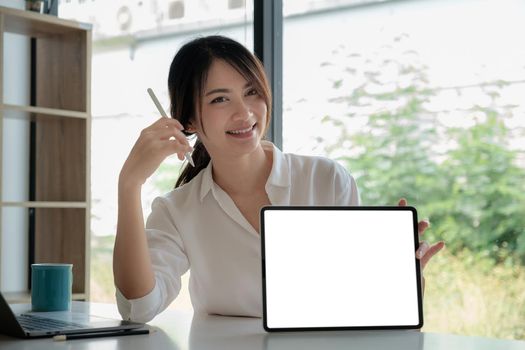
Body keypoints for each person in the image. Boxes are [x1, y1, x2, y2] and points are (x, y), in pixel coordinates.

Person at [113, 35, 445, 323]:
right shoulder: (177, 210)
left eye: (252, 92)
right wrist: (129, 185)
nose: (244, 113)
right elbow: (139, 308)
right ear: (187, 119)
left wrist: (404, 281)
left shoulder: (326, 180)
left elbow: (367, 311)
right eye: (220, 99)